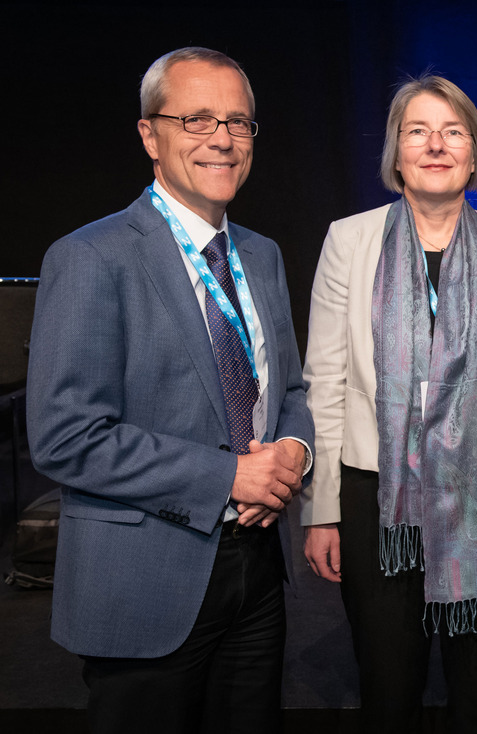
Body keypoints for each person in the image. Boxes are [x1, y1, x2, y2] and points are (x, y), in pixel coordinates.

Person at [27, 47, 313, 733]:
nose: (221, 137)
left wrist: (296, 450)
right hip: (143, 581)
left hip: (255, 574)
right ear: (149, 135)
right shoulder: (91, 256)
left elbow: (292, 389)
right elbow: (65, 437)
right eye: (197, 119)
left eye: (238, 122)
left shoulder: (262, 255)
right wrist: (229, 477)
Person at [300, 73, 477, 732]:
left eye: (453, 132)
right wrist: (321, 510)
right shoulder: (348, 240)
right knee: (387, 681)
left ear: (473, 156)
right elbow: (325, 383)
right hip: (377, 493)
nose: (435, 145)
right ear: (395, 155)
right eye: (417, 131)